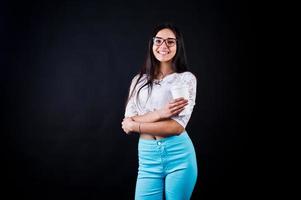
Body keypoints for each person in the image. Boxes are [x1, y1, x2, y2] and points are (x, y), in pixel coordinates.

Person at [121, 23, 198, 200]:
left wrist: (137, 124)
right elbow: (127, 122)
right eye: (159, 41)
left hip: (179, 156)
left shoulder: (185, 79)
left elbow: (176, 127)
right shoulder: (139, 81)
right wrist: (160, 114)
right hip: (148, 158)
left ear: (178, 47)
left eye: (171, 42)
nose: (164, 46)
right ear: (152, 44)